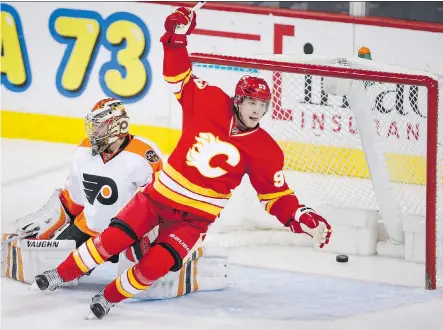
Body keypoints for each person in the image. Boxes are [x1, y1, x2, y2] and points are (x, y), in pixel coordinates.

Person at [34, 7, 332, 319]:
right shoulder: (209, 101)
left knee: (155, 265)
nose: (257, 111)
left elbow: (275, 196)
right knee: (111, 239)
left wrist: (301, 216)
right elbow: (177, 76)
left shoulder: (266, 150)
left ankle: (108, 298)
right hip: (157, 197)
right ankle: (60, 275)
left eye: (262, 105)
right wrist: (175, 40)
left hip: (194, 220)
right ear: (238, 100)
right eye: (251, 103)